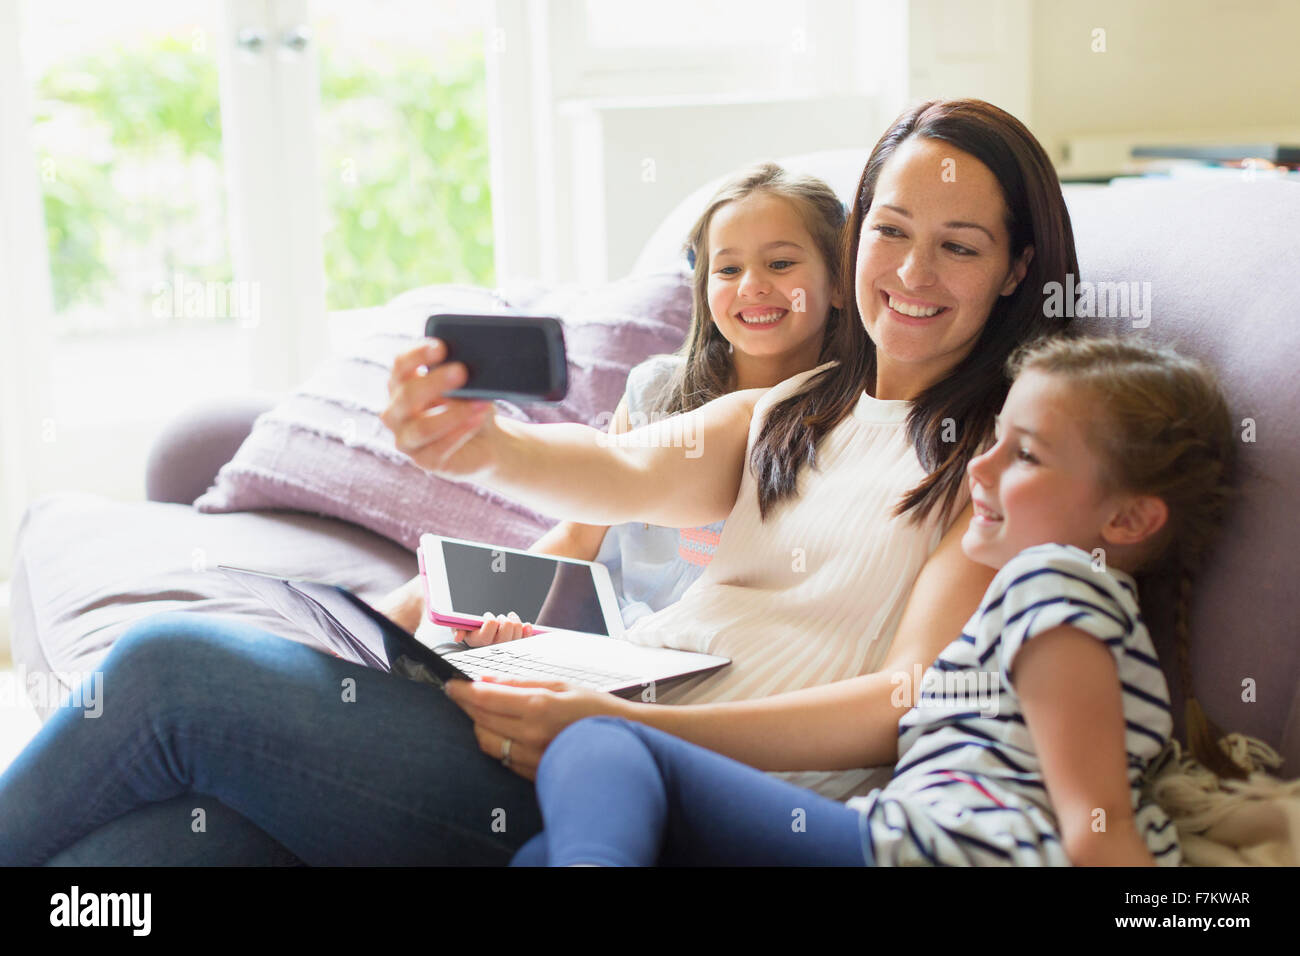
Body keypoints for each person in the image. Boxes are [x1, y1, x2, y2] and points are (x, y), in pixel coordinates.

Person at [0, 99, 1077, 866]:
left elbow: (899, 702)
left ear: (1018, 266)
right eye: (889, 231)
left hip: (669, 789)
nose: (911, 274)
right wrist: (476, 442)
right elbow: (615, 470)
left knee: (169, 669)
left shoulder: (1000, 459)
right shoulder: (788, 410)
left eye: (959, 246)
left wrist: (619, 728)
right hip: (573, 727)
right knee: (161, 848)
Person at [509, 336, 1239, 866]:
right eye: (997, 437)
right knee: (559, 840)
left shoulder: (1056, 588)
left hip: (923, 848)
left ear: (1129, 521)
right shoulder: (1052, 605)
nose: (979, 465)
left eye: (1025, 454)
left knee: (608, 742)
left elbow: (1098, 833)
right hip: (899, 835)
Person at [374, 162, 849, 645]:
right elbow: (581, 535)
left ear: (837, 282)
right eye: (728, 269)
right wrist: (490, 607)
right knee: (429, 634)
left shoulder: (848, 422)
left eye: (781, 264)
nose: (751, 285)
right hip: (598, 632)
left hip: (685, 654)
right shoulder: (656, 390)